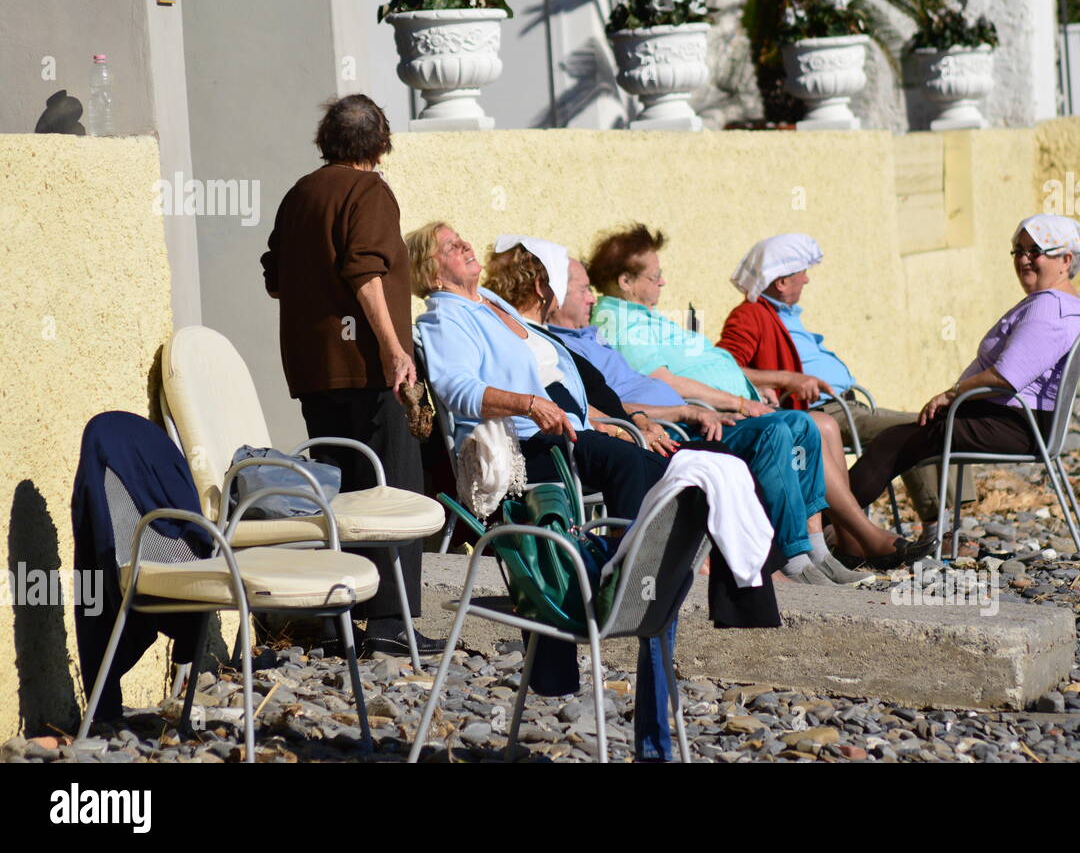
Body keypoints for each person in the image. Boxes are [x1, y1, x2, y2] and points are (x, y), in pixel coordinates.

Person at [406, 221, 682, 761]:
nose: (466, 245)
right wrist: (528, 403)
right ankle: (631, 571)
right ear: (430, 269)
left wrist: (610, 416)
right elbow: (456, 389)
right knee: (633, 466)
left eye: (465, 238)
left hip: (559, 431)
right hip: (526, 448)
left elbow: (554, 373)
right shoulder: (443, 316)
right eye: (451, 245)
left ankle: (644, 567)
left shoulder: (486, 300)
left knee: (663, 467)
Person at [586, 223, 935, 578]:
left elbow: (707, 366)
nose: (663, 282)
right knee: (800, 427)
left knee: (808, 426)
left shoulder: (645, 317)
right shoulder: (620, 322)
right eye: (655, 275)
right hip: (702, 421)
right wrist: (741, 402)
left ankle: (823, 548)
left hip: (728, 410)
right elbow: (664, 380)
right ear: (626, 281)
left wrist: (752, 392)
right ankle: (817, 550)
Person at [259, 94, 435, 658]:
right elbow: (365, 271)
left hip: (315, 369)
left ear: (326, 139)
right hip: (366, 368)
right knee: (390, 490)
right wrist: (391, 348)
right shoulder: (370, 191)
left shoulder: (300, 194)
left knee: (342, 494)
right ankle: (391, 622)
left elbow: (275, 278)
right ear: (381, 142)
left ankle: (342, 616)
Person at [847, 214, 1080, 551]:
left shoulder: (1048, 309)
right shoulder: (1071, 305)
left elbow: (1005, 378)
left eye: (1035, 251)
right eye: (1018, 251)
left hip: (1014, 424)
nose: (1024, 259)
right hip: (1021, 420)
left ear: (1065, 259)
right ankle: (848, 531)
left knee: (891, 443)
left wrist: (950, 395)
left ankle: (820, 528)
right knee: (902, 439)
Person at [718, 233, 973, 537]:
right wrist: (784, 380)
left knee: (934, 422)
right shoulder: (750, 315)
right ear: (781, 282)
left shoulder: (784, 315)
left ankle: (945, 524)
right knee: (923, 425)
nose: (807, 280)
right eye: (802, 273)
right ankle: (939, 531)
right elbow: (725, 368)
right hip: (821, 410)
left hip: (846, 405)